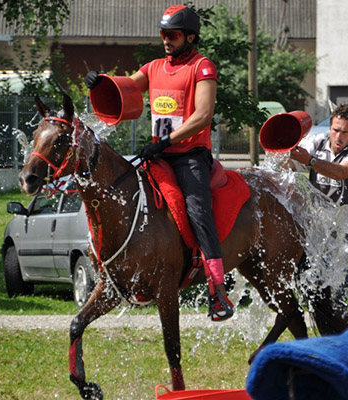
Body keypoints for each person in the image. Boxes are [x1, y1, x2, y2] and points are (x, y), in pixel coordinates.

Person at [85, 5, 233, 321]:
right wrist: (99, 82)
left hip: (190, 158)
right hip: (158, 155)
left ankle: (218, 291)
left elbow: (203, 115)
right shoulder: (153, 67)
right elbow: (126, 86)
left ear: (190, 36)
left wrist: (167, 141)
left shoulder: (202, 67)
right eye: (163, 34)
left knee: (198, 211)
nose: (166, 39)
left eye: (173, 35)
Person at [290, 104, 348, 297]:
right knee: (309, 288)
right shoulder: (317, 142)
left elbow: (341, 173)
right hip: (318, 228)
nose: (338, 136)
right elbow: (290, 165)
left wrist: (310, 161)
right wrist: (284, 146)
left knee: (336, 291)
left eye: (345, 132)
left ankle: (340, 325)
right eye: (335, 130)